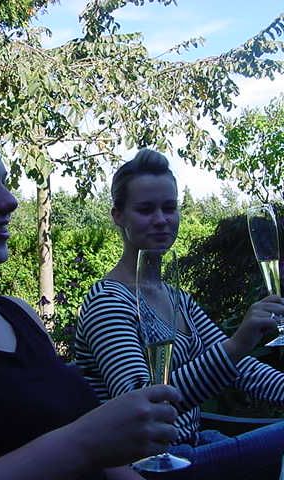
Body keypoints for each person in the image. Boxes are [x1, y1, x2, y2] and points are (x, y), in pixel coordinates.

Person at [0, 119, 182, 480]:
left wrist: (90, 445)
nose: (10, 200)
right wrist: (81, 444)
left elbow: (108, 464)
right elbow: (86, 445)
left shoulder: (19, 314)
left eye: (4, 182)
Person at [75, 148, 284, 479]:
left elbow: (241, 369)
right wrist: (236, 345)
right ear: (118, 216)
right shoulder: (108, 302)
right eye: (146, 209)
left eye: (169, 207)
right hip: (147, 464)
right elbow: (141, 406)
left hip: (196, 446)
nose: (161, 219)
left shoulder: (177, 298)